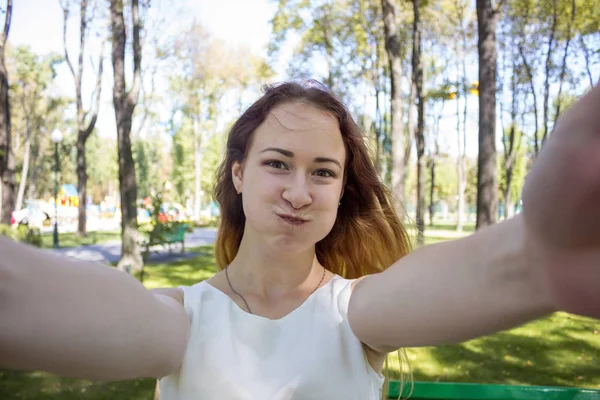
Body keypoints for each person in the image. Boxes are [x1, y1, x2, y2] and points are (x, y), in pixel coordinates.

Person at [0, 80, 599, 400]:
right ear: (239, 174)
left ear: (341, 192)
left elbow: (468, 280)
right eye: (278, 164)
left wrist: (540, 256)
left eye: (323, 172)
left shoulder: (359, 313)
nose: (299, 192)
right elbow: (32, 303)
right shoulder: (179, 322)